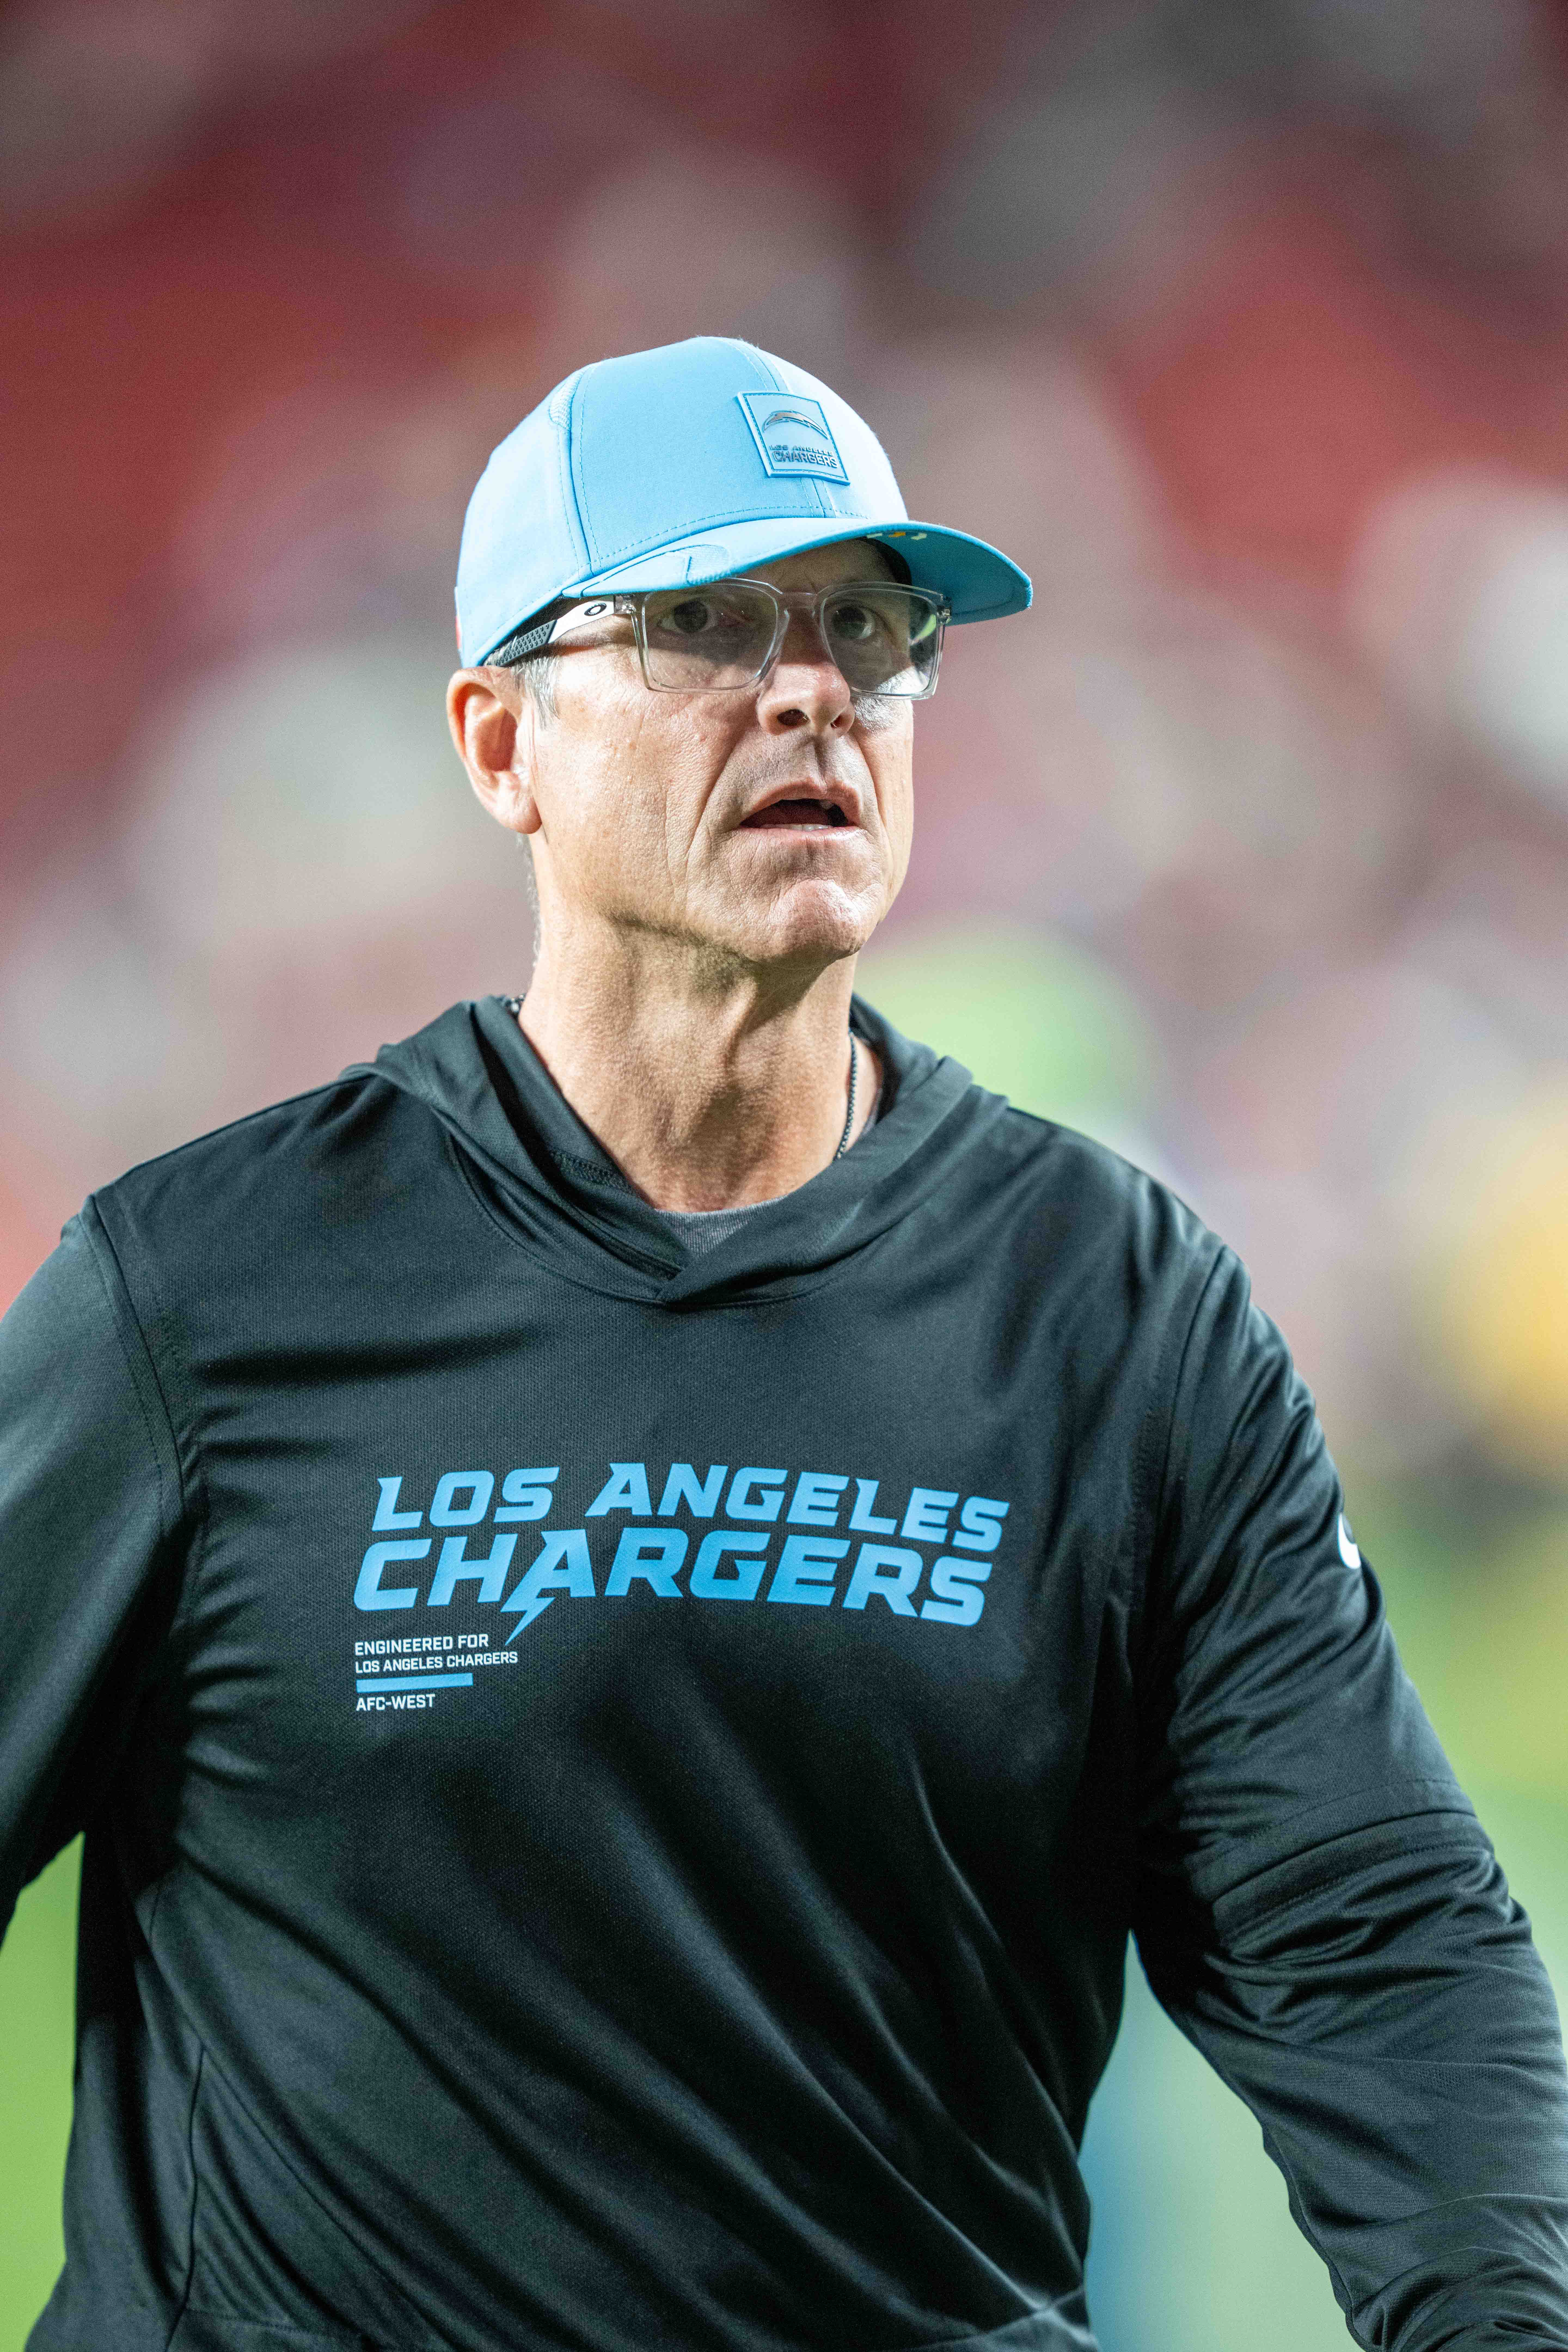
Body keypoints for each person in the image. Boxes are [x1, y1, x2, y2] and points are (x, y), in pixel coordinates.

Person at [1, 334, 1564, 2352]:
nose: (814, 685)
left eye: (867, 627)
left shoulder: (1115, 1310)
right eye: (709, 626)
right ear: (502, 747)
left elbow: (1373, 1939)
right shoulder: (203, 1296)